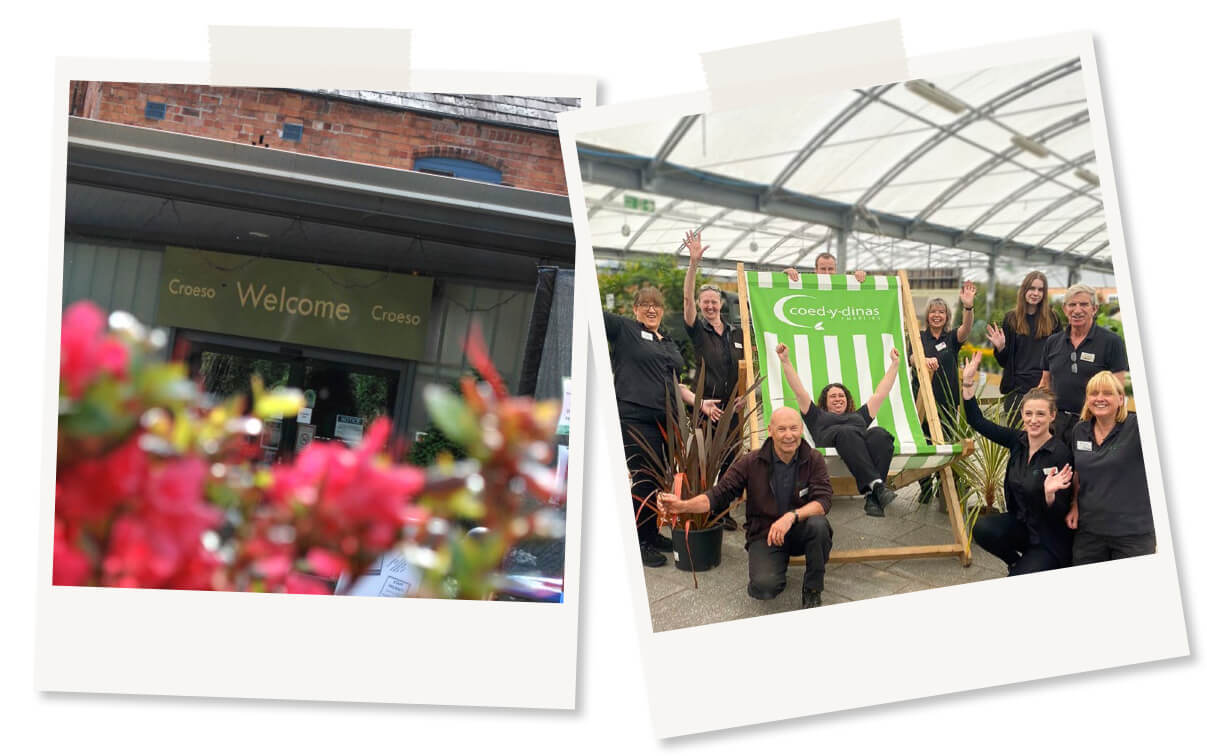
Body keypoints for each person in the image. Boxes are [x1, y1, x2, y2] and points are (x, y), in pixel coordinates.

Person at [656, 406, 833, 608]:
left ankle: (812, 588)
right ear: (770, 430)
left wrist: (791, 516)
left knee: (819, 525)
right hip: (765, 533)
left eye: (793, 428)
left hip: (801, 528)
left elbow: (823, 501)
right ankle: (774, 565)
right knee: (764, 588)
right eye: (782, 429)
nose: (789, 435)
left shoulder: (814, 459)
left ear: (801, 429)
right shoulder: (750, 462)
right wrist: (682, 505)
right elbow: (718, 495)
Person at [603, 286, 721, 568]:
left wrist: (699, 402)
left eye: (656, 305)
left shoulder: (666, 339)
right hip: (635, 418)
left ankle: (651, 533)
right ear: (634, 309)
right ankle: (639, 543)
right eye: (644, 304)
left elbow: (675, 383)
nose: (651, 309)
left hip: (666, 421)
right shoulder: (624, 329)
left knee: (656, 480)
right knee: (643, 479)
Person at [960, 353, 1074, 575]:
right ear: (1022, 414)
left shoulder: (1060, 454)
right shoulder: (1018, 441)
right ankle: (1016, 563)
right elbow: (977, 421)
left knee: (1022, 576)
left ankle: (1031, 567)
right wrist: (967, 382)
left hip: (1048, 538)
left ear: (1052, 416)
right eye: (1029, 413)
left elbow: (1061, 513)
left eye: (1040, 414)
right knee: (982, 528)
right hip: (1021, 527)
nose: (1034, 420)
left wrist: (1050, 495)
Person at [775, 341, 901, 517]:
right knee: (846, 432)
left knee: (880, 434)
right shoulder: (816, 415)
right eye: (832, 396)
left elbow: (881, 393)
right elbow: (798, 390)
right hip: (832, 442)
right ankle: (878, 486)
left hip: (858, 450)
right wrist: (785, 361)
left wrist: (895, 364)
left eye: (841, 395)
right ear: (825, 401)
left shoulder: (860, 415)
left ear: (848, 399)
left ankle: (873, 495)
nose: (838, 398)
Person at [682, 228, 743, 531]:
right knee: (705, 462)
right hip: (704, 408)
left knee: (731, 463)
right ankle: (700, 511)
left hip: (732, 411)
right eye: (704, 302)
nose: (708, 305)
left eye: (713, 301)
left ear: (721, 304)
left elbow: (747, 367)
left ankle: (723, 511)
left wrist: (744, 396)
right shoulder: (698, 330)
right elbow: (686, 300)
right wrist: (693, 264)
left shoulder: (735, 333)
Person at [1066, 371, 1155, 564]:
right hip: (1089, 532)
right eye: (1093, 393)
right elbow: (1078, 473)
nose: (1099, 398)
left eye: (1107, 393)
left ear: (1121, 398)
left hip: (1133, 534)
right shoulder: (1079, 430)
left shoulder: (1138, 427)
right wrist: (1074, 504)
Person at [1038, 284, 1128, 445]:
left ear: (1094, 308)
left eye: (1084, 304)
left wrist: (1111, 427)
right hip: (1057, 423)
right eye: (1072, 304)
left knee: (1087, 469)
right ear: (1064, 309)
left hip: (1093, 423)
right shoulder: (1053, 342)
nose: (1077, 310)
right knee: (1057, 468)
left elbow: (1118, 389)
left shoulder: (1111, 342)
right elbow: (1045, 383)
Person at [913, 282, 975, 504]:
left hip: (947, 402)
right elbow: (911, 358)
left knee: (946, 444)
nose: (936, 315)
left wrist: (968, 308)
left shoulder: (951, 339)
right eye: (933, 312)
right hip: (922, 400)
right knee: (924, 442)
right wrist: (922, 360)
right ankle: (925, 486)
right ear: (927, 315)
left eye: (941, 312)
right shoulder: (919, 337)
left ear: (946, 316)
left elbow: (966, 329)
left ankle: (943, 487)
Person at [985, 271, 1062, 418]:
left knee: (1043, 437)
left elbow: (1060, 354)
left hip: (1043, 388)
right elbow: (1004, 362)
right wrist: (1000, 348)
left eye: (1040, 290)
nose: (1035, 293)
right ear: (1024, 290)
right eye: (1032, 288)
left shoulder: (1053, 319)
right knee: (1016, 438)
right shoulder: (1011, 319)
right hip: (1017, 391)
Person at [783, 252, 866, 282]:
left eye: (830, 269)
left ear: (835, 270)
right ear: (815, 270)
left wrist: (859, 278)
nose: (827, 273)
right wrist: (784, 276)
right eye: (823, 269)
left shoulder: (844, 286)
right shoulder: (805, 284)